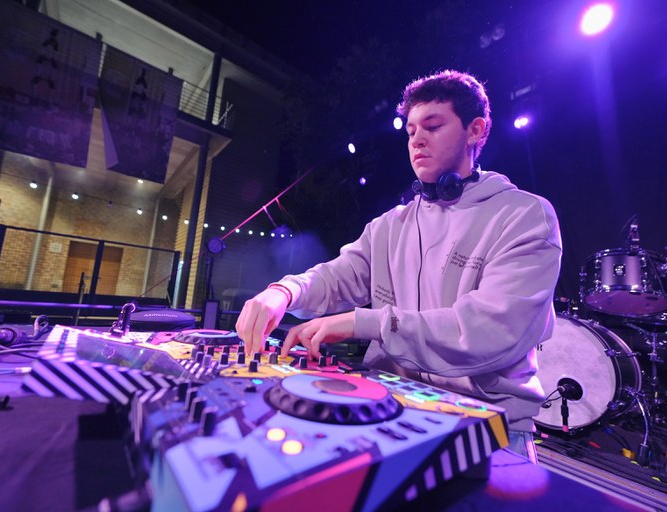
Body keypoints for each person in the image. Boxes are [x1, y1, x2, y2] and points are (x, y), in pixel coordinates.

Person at [236, 69, 562, 462]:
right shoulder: (390, 225)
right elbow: (337, 276)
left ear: (475, 131)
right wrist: (283, 292)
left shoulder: (525, 216)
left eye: (433, 126)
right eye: (410, 131)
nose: (417, 140)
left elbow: (488, 330)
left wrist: (367, 323)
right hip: (391, 409)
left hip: (489, 428)